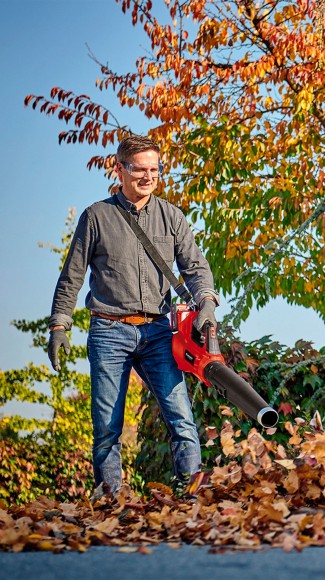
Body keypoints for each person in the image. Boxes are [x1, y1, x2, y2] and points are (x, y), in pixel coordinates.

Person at [47, 135, 219, 497]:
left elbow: (196, 267)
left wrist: (205, 301)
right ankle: (110, 498)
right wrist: (60, 325)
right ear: (119, 169)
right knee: (108, 425)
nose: (148, 177)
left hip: (158, 332)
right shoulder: (96, 217)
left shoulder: (171, 216)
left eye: (154, 169)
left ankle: (193, 495)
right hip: (109, 331)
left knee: (181, 417)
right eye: (139, 169)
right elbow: (72, 276)